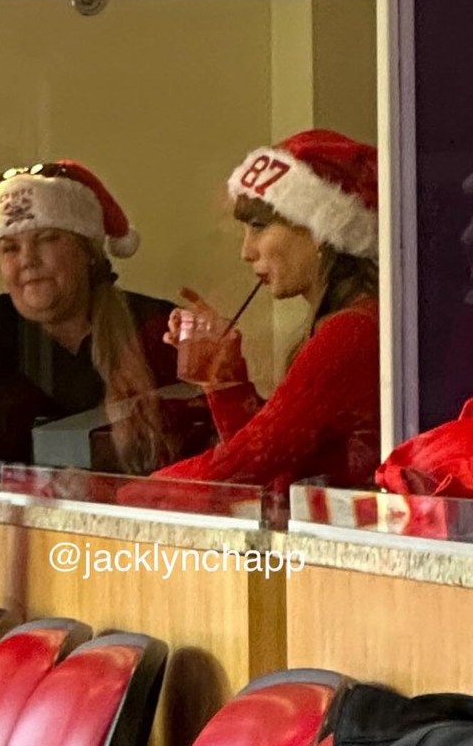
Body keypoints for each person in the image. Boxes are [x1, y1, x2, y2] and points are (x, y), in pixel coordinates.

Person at [0, 159, 210, 474]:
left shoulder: (157, 325)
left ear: (88, 253)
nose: (28, 260)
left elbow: (203, 456)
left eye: (48, 239)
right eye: (10, 248)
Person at [150, 128, 380, 491]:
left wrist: (124, 495)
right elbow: (272, 463)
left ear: (320, 229)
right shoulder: (353, 321)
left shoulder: (351, 332)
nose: (246, 251)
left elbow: (241, 468)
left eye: (258, 227)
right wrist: (225, 379)